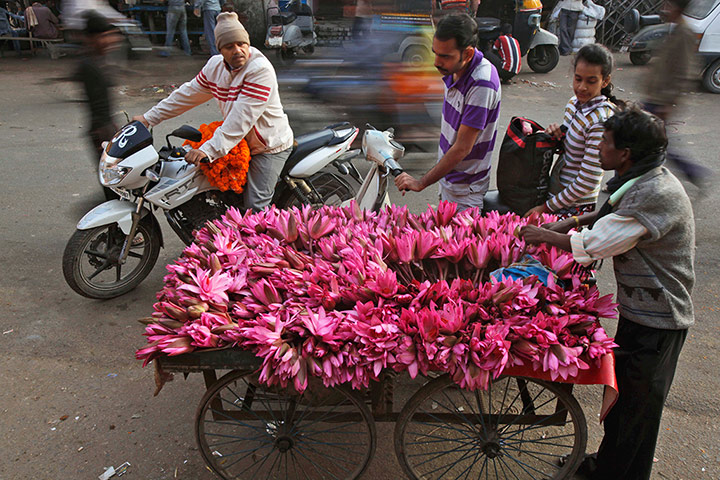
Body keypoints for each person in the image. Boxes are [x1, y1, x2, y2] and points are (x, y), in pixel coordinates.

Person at [520, 104, 695, 480]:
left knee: (638, 414)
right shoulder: (637, 179)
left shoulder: (655, 193)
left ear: (625, 154)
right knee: (623, 405)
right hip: (640, 312)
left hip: (661, 319)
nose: (598, 148)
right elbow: (603, 214)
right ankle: (604, 466)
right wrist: (565, 221)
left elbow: (598, 242)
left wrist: (544, 235)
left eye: (605, 142)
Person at [132, 12, 294, 213]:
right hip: (239, 143)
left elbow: (240, 119)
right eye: (229, 46)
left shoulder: (259, 71)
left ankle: (261, 243)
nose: (237, 50)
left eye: (241, 44)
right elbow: (187, 94)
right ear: (219, 49)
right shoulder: (215, 67)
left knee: (253, 209)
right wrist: (149, 118)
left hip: (268, 146)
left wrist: (208, 150)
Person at [394, 13, 501, 212]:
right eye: (435, 53)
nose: (437, 62)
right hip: (450, 180)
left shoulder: (481, 83)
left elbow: (462, 148)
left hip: (466, 191)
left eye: (445, 56)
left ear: (468, 54)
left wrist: (421, 182)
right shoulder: (455, 71)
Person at [524, 43, 616, 218]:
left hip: (575, 206)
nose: (582, 87)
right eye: (578, 78)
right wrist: (555, 135)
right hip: (556, 192)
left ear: (605, 81)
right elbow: (571, 146)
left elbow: (587, 182)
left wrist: (546, 207)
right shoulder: (573, 104)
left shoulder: (600, 121)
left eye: (591, 81)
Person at [642, 0, 710, 188]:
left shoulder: (685, 34)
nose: (665, 9)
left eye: (669, 6)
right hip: (654, 95)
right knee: (654, 140)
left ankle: (692, 172)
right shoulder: (674, 30)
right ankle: (692, 172)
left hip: (662, 99)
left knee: (653, 141)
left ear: (678, 9)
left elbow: (685, 72)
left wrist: (670, 102)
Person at [75, 11, 123, 199]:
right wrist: (106, 137)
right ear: (93, 38)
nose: (110, 41)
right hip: (100, 132)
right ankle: (97, 218)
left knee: (115, 184)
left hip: (106, 129)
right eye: (104, 37)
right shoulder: (89, 65)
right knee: (112, 186)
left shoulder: (97, 60)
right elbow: (98, 106)